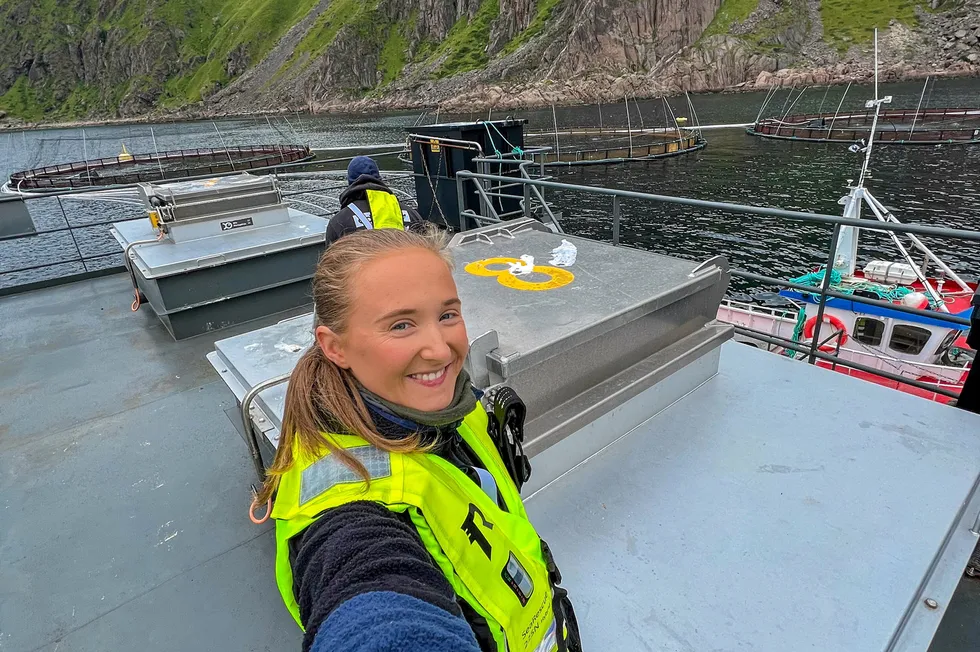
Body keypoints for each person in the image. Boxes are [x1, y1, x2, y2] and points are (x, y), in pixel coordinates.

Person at [252, 228, 581, 652]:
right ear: (336, 348)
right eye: (401, 325)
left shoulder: (444, 408)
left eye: (447, 315)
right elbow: (372, 601)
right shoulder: (349, 517)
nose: (441, 351)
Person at [325, 156, 423, 245]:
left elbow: (330, 262)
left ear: (350, 182)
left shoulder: (339, 222)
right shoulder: (412, 214)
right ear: (379, 179)